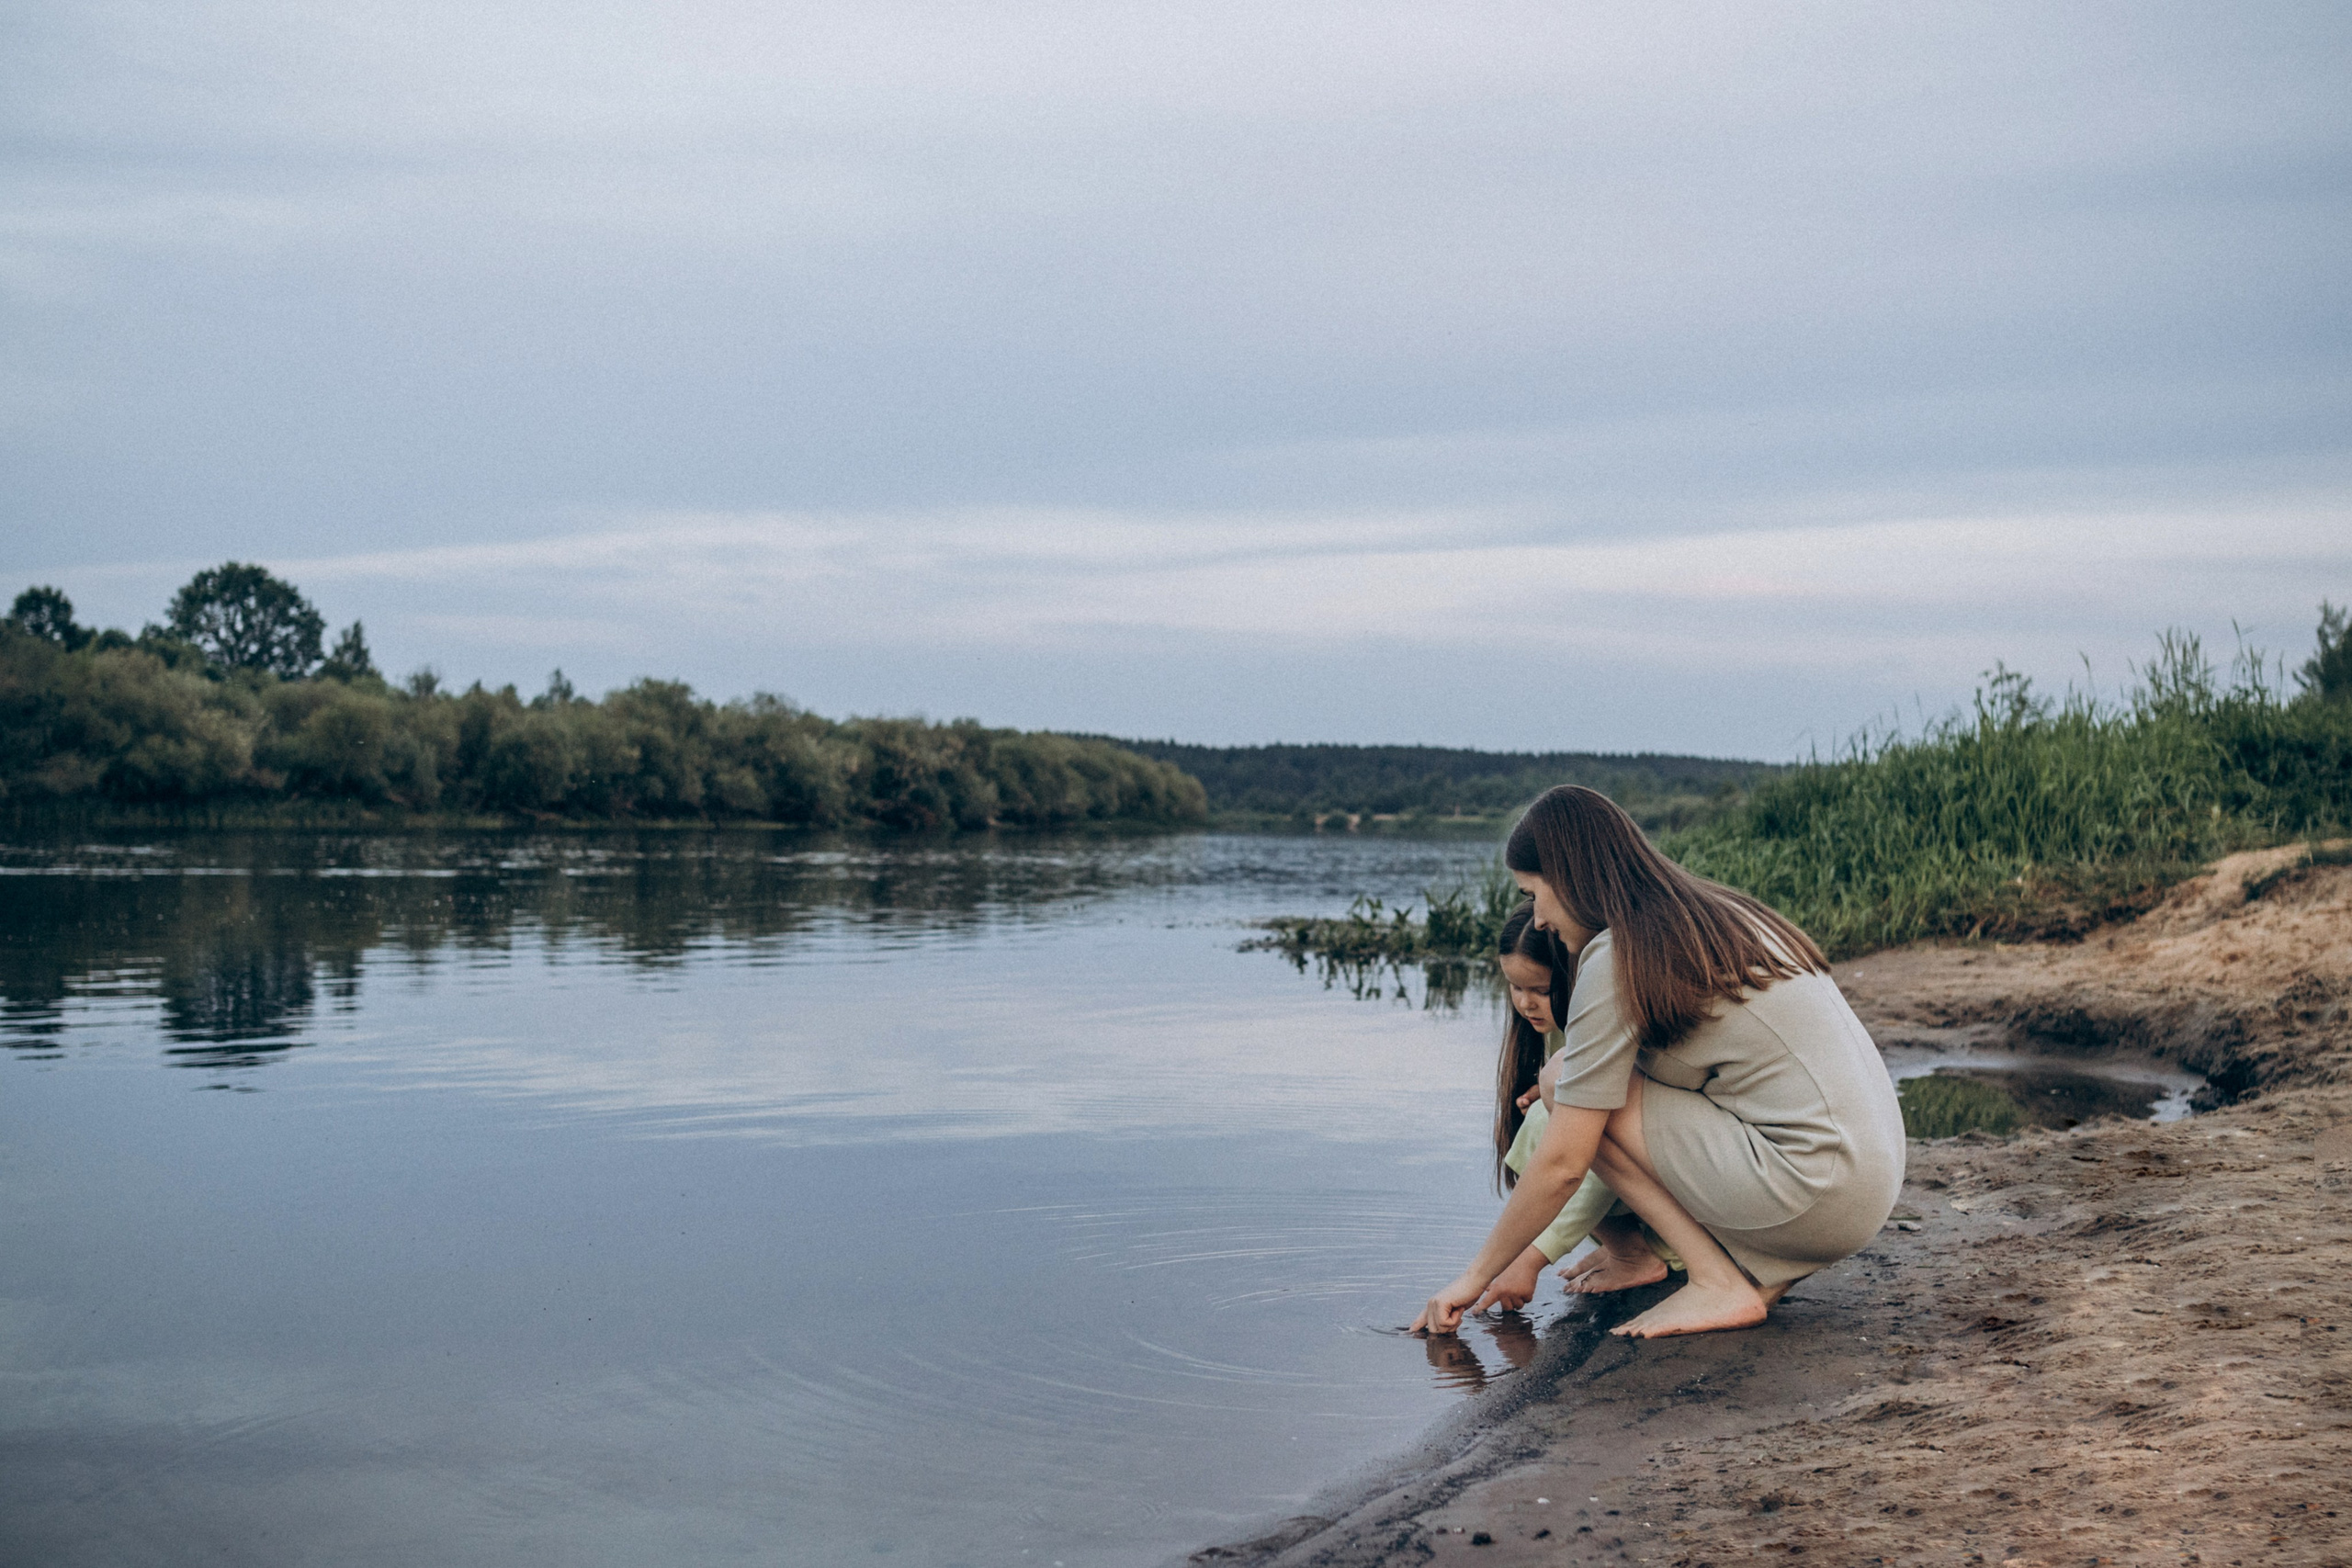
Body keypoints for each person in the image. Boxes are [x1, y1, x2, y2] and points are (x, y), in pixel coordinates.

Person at [1412, 785, 1905, 1340]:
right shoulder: (1714, 916)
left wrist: (1477, 1275)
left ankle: (1715, 1279)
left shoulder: (1618, 953)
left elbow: (1564, 1163)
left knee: (1561, 1085)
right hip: (1865, 1186)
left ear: (1569, 878)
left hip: (1816, 1192)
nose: (1540, 920)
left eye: (1535, 894)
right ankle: (1739, 1272)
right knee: (1588, 1075)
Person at [1469, 902, 1679, 1315]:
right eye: (1516, 988)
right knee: (1544, 1120)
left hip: (1681, 1204)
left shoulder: (1599, 1023)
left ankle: (1638, 1253)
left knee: (1548, 1127)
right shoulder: (1557, 1033)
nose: (1526, 1004)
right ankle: (1629, 1247)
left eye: (1542, 991)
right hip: (1661, 1200)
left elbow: (1584, 1162)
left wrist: (1528, 1260)